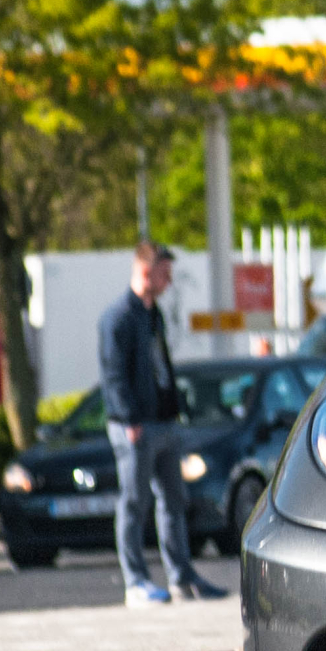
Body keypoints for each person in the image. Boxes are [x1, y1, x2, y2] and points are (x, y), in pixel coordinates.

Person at [97, 242, 225, 605]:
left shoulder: (154, 315)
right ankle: (135, 582)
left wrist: (174, 409)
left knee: (174, 501)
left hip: (165, 423)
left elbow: (161, 367)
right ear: (146, 271)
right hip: (135, 427)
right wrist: (129, 418)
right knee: (134, 503)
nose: (170, 280)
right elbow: (113, 374)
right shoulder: (118, 318)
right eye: (165, 272)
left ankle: (182, 578)